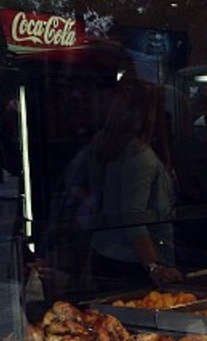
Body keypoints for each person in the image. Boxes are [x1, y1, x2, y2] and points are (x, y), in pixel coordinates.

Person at [59, 73, 182, 292]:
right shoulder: (139, 156)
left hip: (107, 255)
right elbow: (133, 219)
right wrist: (154, 267)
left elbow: (74, 184)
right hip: (134, 266)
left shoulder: (101, 144)